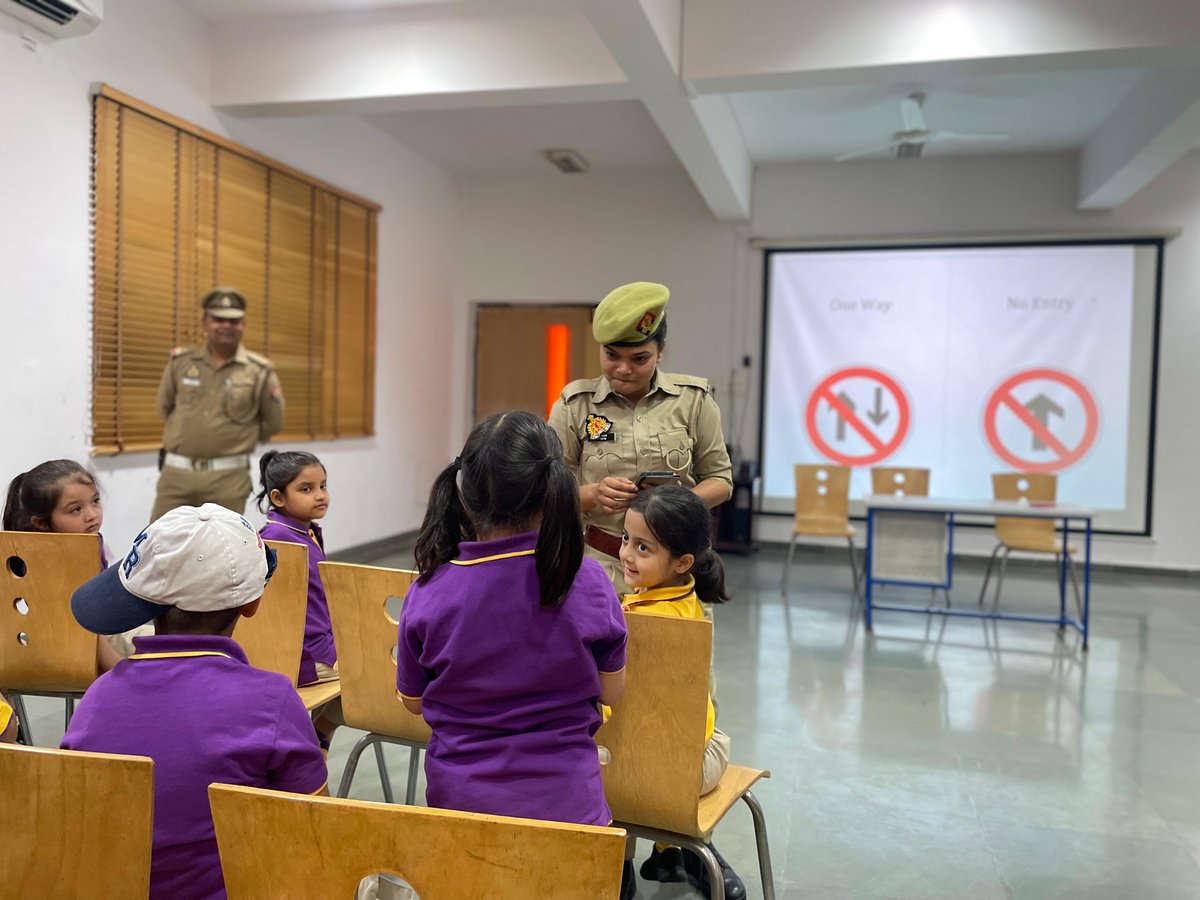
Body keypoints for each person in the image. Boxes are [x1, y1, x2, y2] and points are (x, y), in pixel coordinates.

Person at [61, 504, 328, 900]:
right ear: (251, 604)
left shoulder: (98, 697)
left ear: (143, 602)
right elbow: (316, 828)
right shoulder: (272, 699)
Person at [395, 411, 628, 851]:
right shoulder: (586, 580)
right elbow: (611, 693)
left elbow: (412, 702)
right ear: (552, 490)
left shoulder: (429, 593)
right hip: (571, 812)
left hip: (460, 810)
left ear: (465, 493)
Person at [548, 281, 733, 597]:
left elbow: (721, 480)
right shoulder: (575, 405)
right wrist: (593, 494)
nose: (622, 369)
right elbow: (548, 493)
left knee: (670, 646)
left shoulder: (693, 401)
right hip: (598, 568)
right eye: (612, 355)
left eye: (639, 358)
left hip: (673, 571)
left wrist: (674, 505)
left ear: (661, 351)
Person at [618, 485, 744, 899]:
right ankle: (667, 851)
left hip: (677, 769)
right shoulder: (685, 596)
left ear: (682, 562)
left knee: (594, 755)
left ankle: (615, 869)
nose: (626, 555)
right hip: (700, 751)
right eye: (625, 540)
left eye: (643, 547)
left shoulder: (646, 621)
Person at [151, 287, 285, 522]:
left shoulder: (258, 371)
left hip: (228, 479)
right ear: (205, 322)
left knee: (223, 553)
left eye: (234, 321)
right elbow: (165, 407)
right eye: (218, 319)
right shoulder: (181, 363)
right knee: (160, 545)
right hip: (176, 477)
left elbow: (272, 422)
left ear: (243, 326)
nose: (226, 325)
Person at [3, 459, 142, 669]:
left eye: (95, 501)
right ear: (42, 523)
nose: (92, 515)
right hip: (62, 646)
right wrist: (122, 678)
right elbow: (83, 636)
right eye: (76, 510)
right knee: (164, 653)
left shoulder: (87, 543)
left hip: (88, 635)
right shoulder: (57, 560)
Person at [256, 450, 341, 750]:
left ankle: (316, 744)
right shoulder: (278, 540)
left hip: (322, 645)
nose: (320, 495)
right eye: (306, 489)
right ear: (278, 498)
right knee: (373, 675)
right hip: (309, 656)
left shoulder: (302, 530)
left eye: (323, 486)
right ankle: (314, 745)